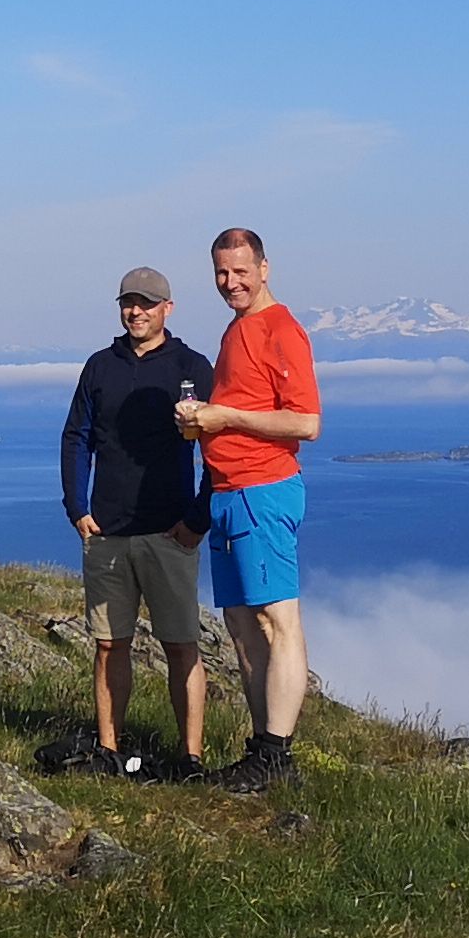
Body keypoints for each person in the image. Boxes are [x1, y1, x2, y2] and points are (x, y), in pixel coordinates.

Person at [175, 226, 320, 790]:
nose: (230, 282)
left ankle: (277, 755)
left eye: (240, 271)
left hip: (263, 491)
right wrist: (204, 424)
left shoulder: (281, 329)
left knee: (277, 620)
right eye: (221, 272)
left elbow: (306, 422)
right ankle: (263, 749)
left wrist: (224, 419)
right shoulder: (238, 330)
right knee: (241, 624)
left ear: (265, 268)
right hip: (229, 493)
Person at [57, 267, 215, 778]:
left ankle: (191, 758)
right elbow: (76, 437)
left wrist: (198, 518)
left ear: (168, 308)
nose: (136, 311)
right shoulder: (100, 366)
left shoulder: (192, 366)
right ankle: (107, 749)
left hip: (170, 530)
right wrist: (76, 506)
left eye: (146, 303)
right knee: (109, 644)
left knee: (181, 644)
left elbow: (219, 447)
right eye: (128, 302)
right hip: (107, 532)